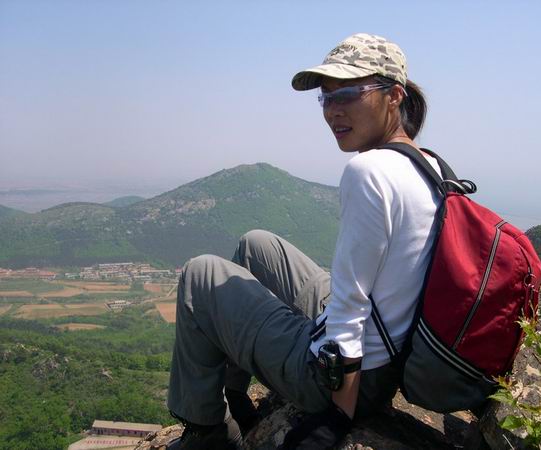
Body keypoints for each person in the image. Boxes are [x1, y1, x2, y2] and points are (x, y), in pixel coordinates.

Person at [166, 32, 443, 449]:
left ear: (394, 96)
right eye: (326, 97)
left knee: (200, 275)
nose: (333, 111)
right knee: (256, 244)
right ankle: (235, 396)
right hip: (390, 343)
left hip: (346, 374)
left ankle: (209, 432)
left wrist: (336, 417)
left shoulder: (368, 171)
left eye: (348, 94)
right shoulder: (429, 164)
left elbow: (350, 308)